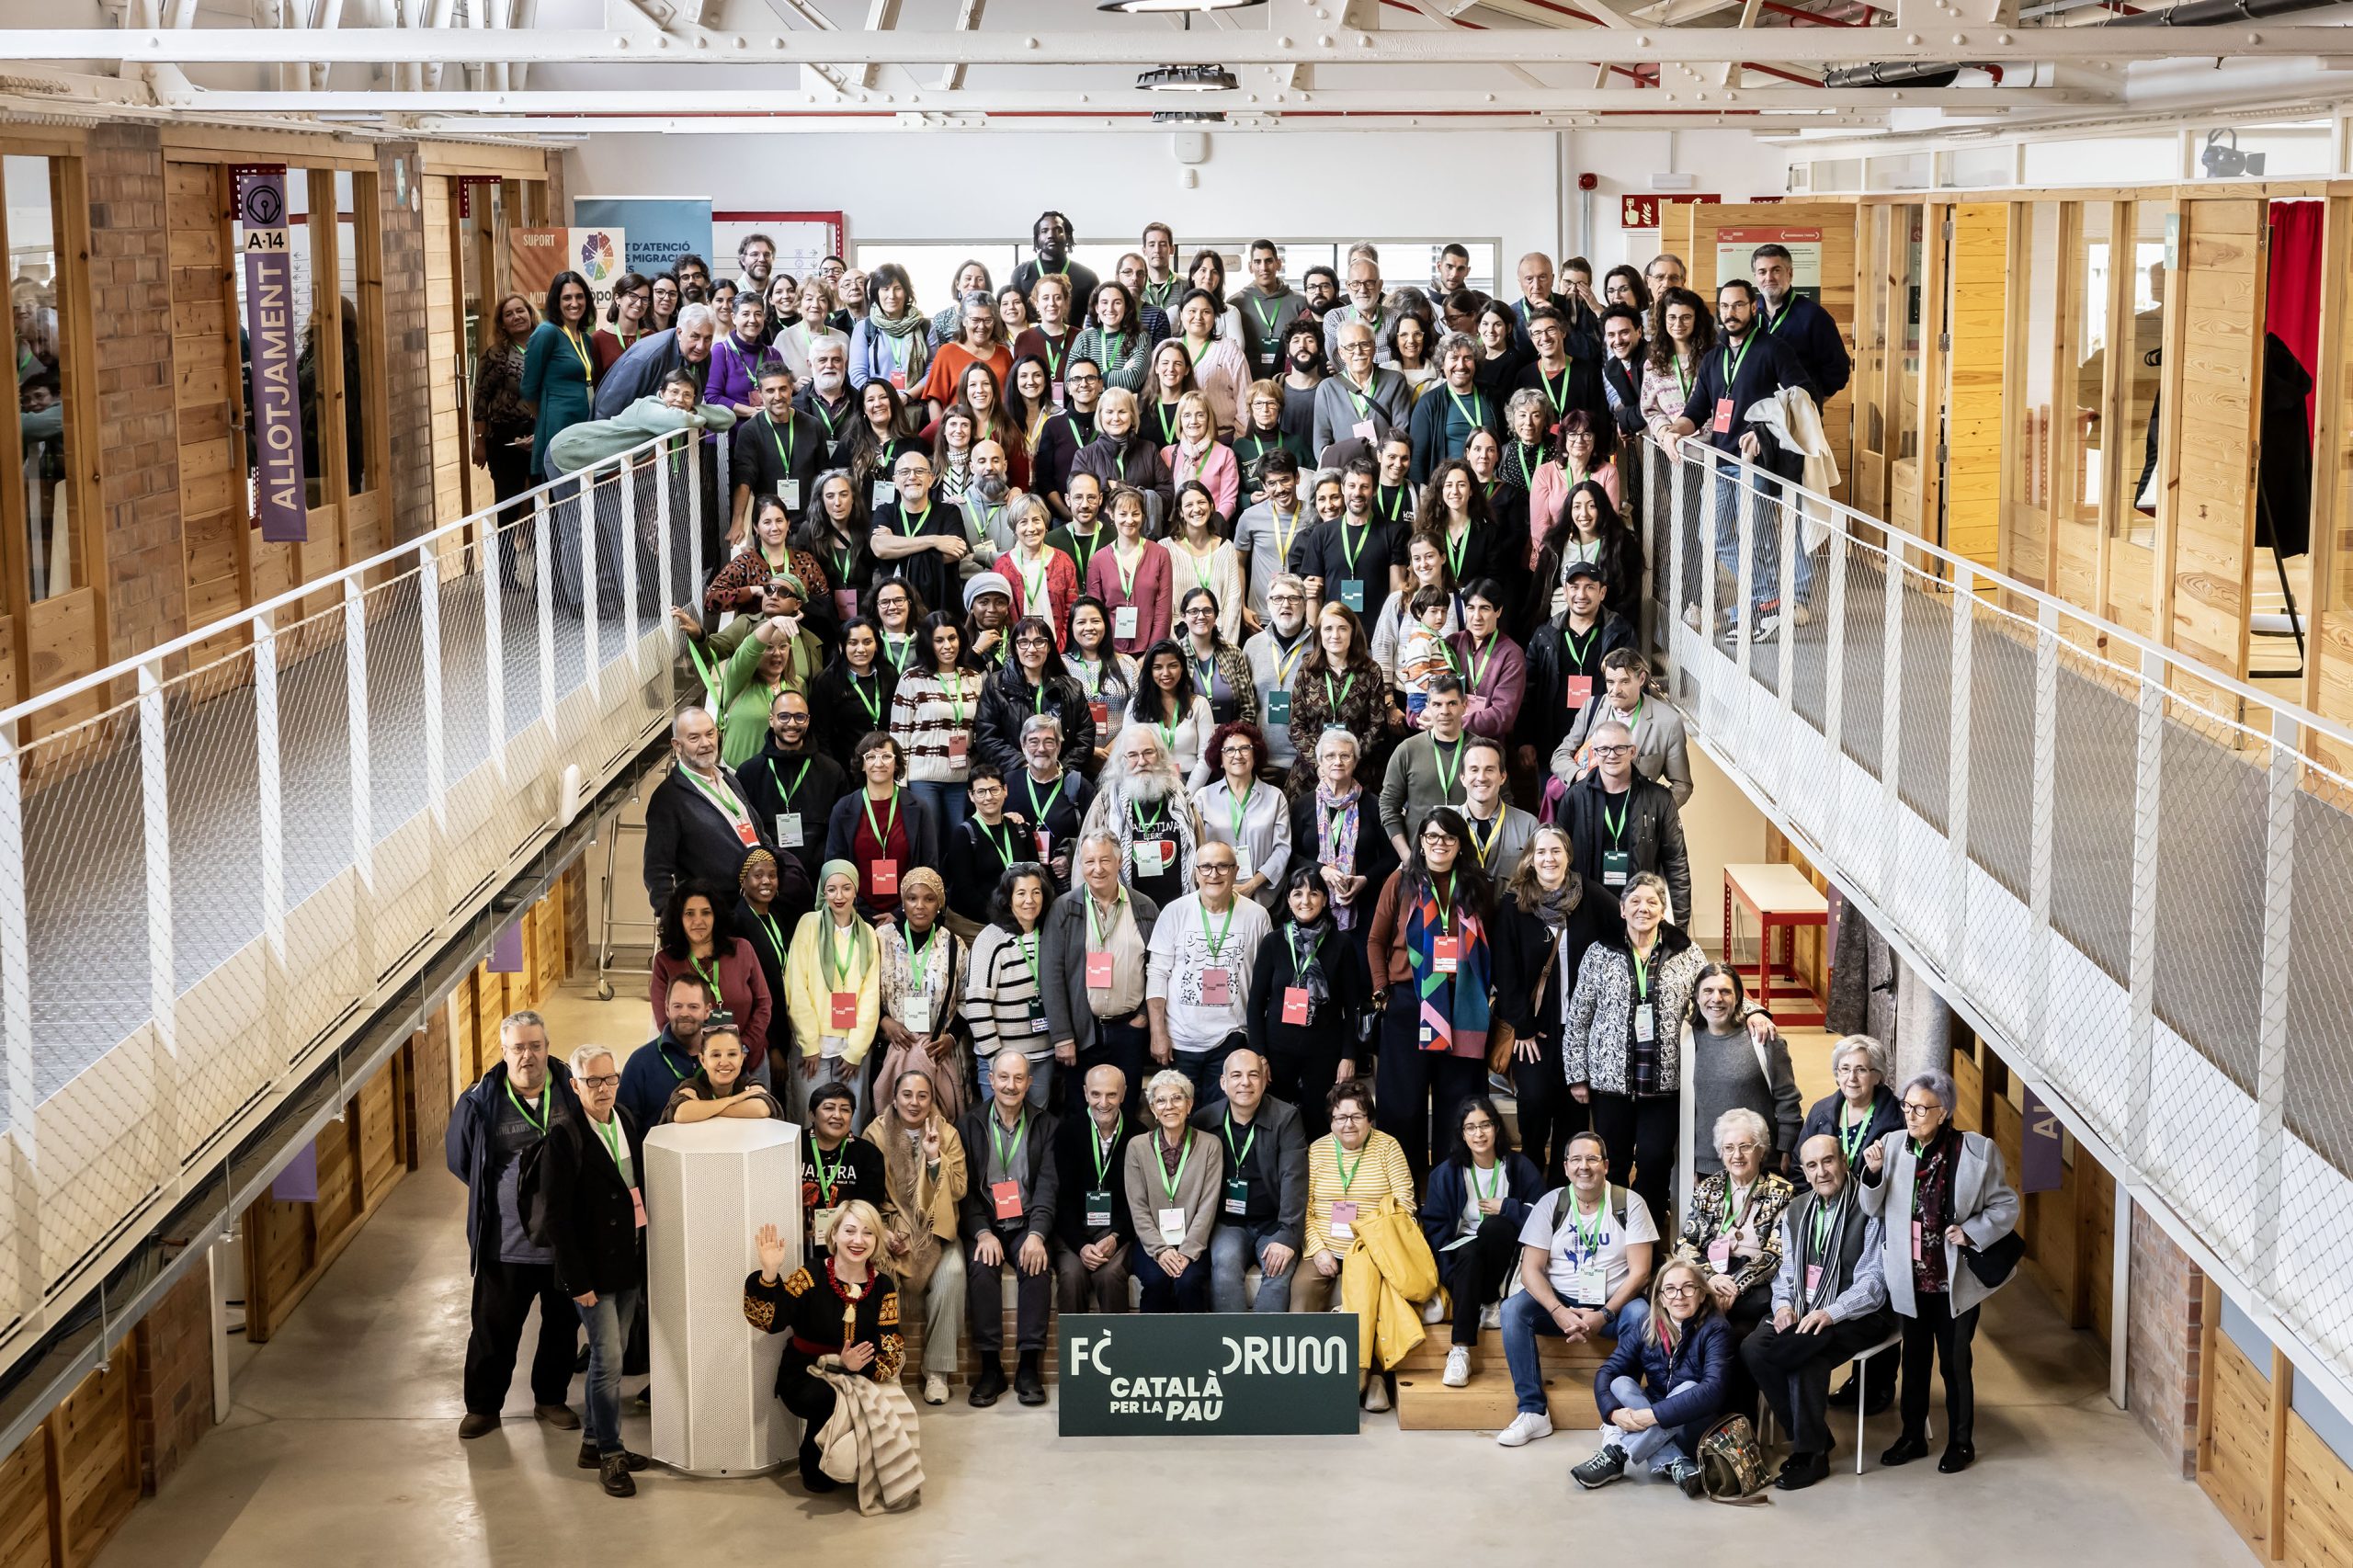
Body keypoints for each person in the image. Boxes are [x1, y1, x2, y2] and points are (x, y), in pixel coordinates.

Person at [1856, 1068, 2020, 1474]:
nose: (1910, 1116)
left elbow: (2006, 1206)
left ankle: (1961, 1443)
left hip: (1952, 1280)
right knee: (1912, 1362)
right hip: (1909, 1279)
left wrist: (1971, 1231)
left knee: (1953, 1363)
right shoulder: (1892, 1145)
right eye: (1906, 1106)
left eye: (1921, 1109)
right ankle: (1912, 1436)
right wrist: (1872, 1174)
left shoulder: (1977, 1152)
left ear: (1943, 1112)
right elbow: (1871, 1207)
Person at [448, 1012, 579, 1440]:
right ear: (503, 1052)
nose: (528, 1055)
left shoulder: (570, 1089)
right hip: (505, 1246)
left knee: (561, 1327)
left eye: (535, 1046)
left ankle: (550, 1399)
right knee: (494, 1329)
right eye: (518, 1048)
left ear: (547, 1046)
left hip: (562, 1244)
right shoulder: (479, 1101)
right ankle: (483, 1407)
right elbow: (461, 1160)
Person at [1741, 1132, 1898, 1488]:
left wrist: (1832, 1313)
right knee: (1753, 1348)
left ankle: (1811, 1455)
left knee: (1807, 1352)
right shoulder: (1797, 1210)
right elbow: (1787, 1273)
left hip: (1859, 1314)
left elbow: (1874, 1282)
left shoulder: (1868, 1205)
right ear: (1804, 1172)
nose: (1822, 1171)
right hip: (1804, 1306)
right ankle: (1813, 1434)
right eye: (1812, 1165)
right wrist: (1782, 1307)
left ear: (1844, 1161)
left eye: (1828, 1161)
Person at [1664, 278, 1815, 641]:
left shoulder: (1773, 350)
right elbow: (1697, 408)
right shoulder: (1714, 358)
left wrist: (1764, 428)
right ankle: (1770, 600)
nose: (1731, 313)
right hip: (1720, 458)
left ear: (1754, 308)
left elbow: (1803, 394)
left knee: (1760, 539)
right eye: (1725, 306)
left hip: (1754, 462)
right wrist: (1672, 431)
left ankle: (1764, 606)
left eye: (1738, 305)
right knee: (1712, 536)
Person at [742, 1202, 915, 1503]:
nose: (858, 1240)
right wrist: (769, 1275)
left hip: (860, 1371)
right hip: (804, 1373)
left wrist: (854, 1367)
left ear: (876, 1241)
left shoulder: (883, 1286)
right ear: (833, 1235)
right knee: (828, 1397)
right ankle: (816, 1460)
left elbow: (890, 1343)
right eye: (849, 1231)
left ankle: (873, 1464)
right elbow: (770, 1320)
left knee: (896, 1407)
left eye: (867, 1233)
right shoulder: (810, 1275)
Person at [1495, 1130, 1657, 1449]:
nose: (1585, 1166)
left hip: (1615, 1303)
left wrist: (1606, 1314)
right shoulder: (1551, 1203)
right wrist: (1557, 1311)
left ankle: (1618, 1414)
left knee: (1641, 1315)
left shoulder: (1629, 1203)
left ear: (1606, 1165)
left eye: (1593, 1159)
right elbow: (1530, 1270)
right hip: (1559, 1302)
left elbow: (1641, 1273)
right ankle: (1533, 1411)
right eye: (1576, 1160)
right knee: (1513, 1309)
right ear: (1566, 1166)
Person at [1563, 871, 1706, 1222]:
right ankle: (1612, 1230)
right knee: (1614, 1162)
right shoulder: (1600, 952)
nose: (1644, 908)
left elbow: (1717, 993)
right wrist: (1576, 1075)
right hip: (1609, 1084)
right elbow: (1579, 1016)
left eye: (1652, 902)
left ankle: (1649, 1229)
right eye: (1635, 902)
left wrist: (1754, 1013)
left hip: (1664, 1083)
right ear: (1623, 909)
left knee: (1656, 1159)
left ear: (1663, 910)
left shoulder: (1686, 952)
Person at [1366, 805, 1495, 1179]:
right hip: (1408, 1004)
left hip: (1461, 1005)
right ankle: (1405, 1193)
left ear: (1460, 844)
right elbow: (1375, 940)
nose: (1440, 844)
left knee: (1457, 1107)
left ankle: (1447, 1193)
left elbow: (1492, 947)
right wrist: (1381, 992)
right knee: (1402, 1106)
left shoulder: (1477, 885)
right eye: (1432, 836)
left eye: (1449, 837)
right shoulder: (1400, 881)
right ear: (1420, 841)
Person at [543, 1044, 648, 1494]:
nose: (603, 1089)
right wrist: (576, 1282)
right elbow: (557, 1220)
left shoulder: (624, 1118)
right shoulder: (564, 1138)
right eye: (592, 1081)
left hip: (627, 1261)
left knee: (616, 1352)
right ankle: (610, 1453)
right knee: (607, 1362)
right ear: (575, 1085)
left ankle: (591, 1443)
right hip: (592, 1273)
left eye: (610, 1079)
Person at [1491, 825, 1622, 1180]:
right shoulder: (1514, 904)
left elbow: (1630, 924)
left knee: (1573, 1117)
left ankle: (1566, 1198)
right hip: (1533, 1034)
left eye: (1556, 851)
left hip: (1580, 1032)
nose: (1549, 858)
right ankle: (1533, 1195)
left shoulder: (1590, 897)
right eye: (1541, 852)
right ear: (1530, 859)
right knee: (1533, 1108)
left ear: (1568, 856)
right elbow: (1505, 971)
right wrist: (1523, 1026)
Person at [1301, 1077, 1427, 1411]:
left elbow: (1405, 1203)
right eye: (1341, 1117)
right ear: (1331, 1121)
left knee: (1366, 1285)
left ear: (1369, 1118)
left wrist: (1373, 1239)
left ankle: (1369, 1376)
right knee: (1301, 1290)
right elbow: (1306, 1209)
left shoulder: (1388, 1146)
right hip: (1326, 1245)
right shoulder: (1318, 1149)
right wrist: (1317, 1248)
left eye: (1356, 1116)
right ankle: (1306, 1375)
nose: (1348, 1124)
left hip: (1373, 1246)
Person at [1574, 1258, 1733, 1496]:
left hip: (1693, 1427)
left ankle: (1617, 1454)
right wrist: (1612, 1413)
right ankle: (1676, 1462)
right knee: (1620, 1383)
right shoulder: (1647, 1324)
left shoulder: (1716, 1328)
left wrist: (1653, 1415)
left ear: (1702, 1294)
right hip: (1654, 1417)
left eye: (1688, 1287)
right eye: (1670, 1289)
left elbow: (1713, 1390)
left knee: (1690, 1386)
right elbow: (1607, 1372)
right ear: (1660, 1297)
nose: (1679, 1296)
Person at [956, 1048, 1059, 1407]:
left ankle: (1028, 1367)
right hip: (987, 1224)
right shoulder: (968, 1125)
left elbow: (1048, 1186)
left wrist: (1038, 1235)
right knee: (982, 1269)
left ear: (1030, 1083)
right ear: (990, 1079)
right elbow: (964, 1191)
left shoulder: (1047, 1125)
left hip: (1027, 1223)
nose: (1010, 1085)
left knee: (1038, 1267)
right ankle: (990, 1368)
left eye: (1018, 1078)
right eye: (1003, 1077)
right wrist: (982, 1232)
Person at [1420, 1096, 1545, 1388]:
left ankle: (1486, 1304)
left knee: (1495, 1228)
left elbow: (1544, 1218)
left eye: (1485, 1125)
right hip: (1461, 1262)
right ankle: (1461, 1348)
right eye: (1471, 1127)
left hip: (1507, 1256)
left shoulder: (1519, 1167)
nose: (1479, 1134)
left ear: (1497, 1128)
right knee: (1470, 1249)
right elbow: (1435, 1226)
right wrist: (1445, 1263)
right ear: (1462, 1134)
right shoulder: (1446, 1173)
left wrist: (1508, 1208)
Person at [1145, 836, 1273, 1108]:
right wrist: (1158, 1033)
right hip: (1181, 1039)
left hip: (1233, 1037)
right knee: (1180, 1116)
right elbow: (1157, 975)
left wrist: (1259, 1045)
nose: (1213, 874)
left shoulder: (1257, 916)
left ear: (1236, 871)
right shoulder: (1174, 912)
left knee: (1223, 1116)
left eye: (1222, 867)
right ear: (1195, 873)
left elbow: (1265, 984)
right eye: (1205, 867)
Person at [1042, 830, 1160, 1119]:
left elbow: (1158, 967)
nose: (1098, 868)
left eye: (1105, 860)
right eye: (1090, 861)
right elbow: (1051, 974)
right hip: (1082, 1032)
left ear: (1119, 862)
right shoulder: (1064, 908)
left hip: (1129, 1029)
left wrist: (1143, 1014)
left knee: (1127, 1109)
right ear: (1080, 866)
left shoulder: (1144, 907)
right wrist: (1062, 1035)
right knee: (1080, 1114)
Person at [1673, 1107, 1795, 1382]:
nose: (1736, 1155)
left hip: (1753, 1286)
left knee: (1737, 1337)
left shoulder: (1782, 1192)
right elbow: (1685, 1243)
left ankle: (1737, 1420)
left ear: (1761, 1150)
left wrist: (1736, 1285)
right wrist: (1712, 1279)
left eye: (1745, 1147)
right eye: (1729, 1148)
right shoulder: (1707, 1189)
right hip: (1711, 1280)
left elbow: (1776, 1254)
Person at [1194, 1046, 1310, 1313]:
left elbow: (1295, 1179)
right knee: (1224, 1265)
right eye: (1236, 1075)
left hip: (1273, 1222)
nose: (1245, 1082)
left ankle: (1261, 1345)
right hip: (1227, 1222)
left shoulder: (1286, 1118)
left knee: (1278, 1270)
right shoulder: (1204, 1119)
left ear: (1265, 1079)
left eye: (1253, 1075)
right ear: (1223, 1083)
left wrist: (1288, 1235)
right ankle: (1231, 1345)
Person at [1556, 718, 1691, 922]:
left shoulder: (1659, 799)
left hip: (1639, 914)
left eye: (1620, 748)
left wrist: (1679, 929)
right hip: (1586, 912)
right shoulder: (1575, 797)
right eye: (1604, 749)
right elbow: (1561, 860)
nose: (1611, 755)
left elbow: (1676, 864)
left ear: (1632, 751)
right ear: (1595, 752)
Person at [782, 860, 883, 1123]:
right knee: (810, 1120)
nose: (839, 896)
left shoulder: (868, 933)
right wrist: (808, 1043)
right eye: (832, 889)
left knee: (849, 1122)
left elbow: (871, 995)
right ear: (823, 892)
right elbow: (796, 984)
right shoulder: (809, 924)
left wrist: (856, 1050)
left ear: (856, 891)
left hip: (851, 1048)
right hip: (812, 1048)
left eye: (846, 888)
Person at [642, 709, 772, 913]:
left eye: (710, 734)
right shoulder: (668, 798)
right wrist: (673, 921)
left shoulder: (729, 778)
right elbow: (656, 871)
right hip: (716, 915)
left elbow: (757, 833)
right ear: (677, 745)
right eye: (694, 737)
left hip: (756, 905)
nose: (706, 743)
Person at [1517, 560, 1634, 782]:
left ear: (1602, 592)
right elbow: (1527, 689)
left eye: (1590, 587)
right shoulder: (1545, 635)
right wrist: (1525, 739)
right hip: (1552, 743)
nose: (1581, 594)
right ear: (1565, 591)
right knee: (1553, 807)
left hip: (1601, 744)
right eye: (1574, 587)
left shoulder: (1619, 633)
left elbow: (1633, 687)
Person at [649, 881, 776, 1084]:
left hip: (750, 1061)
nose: (698, 921)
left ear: (716, 916)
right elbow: (665, 1019)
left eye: (706, 913)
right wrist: (707, 1056)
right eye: (689, 913)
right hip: (697, 1068)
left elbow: (764, 1004)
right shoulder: (665, 961)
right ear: (678, 918)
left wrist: (742, 1047)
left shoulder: (742, 949)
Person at [1685, 962, 1803, 1178]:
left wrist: (1787, 1147)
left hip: (1761, 1162)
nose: (1716, 999)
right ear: (1697, 997)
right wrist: (1688, 1164)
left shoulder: (1763, 1038)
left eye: (1725, 991)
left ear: (1738, 997)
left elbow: (1787, 1097)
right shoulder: (1686, 1041)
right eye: (1708, 991)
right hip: (1707, 1166)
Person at [872, 868, 969, 1125]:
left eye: (929, 899)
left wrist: (951, 1037)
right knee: (894, 1124)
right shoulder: (882, 939)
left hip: (937, 1051)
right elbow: (865, 990)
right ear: (902, 902)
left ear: (939, 904)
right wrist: (884, 1021)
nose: (920, 906)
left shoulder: (954, 945)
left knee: (939, 1124)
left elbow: (966, 999)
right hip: (894, 1047)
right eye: (912, 898)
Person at [1124, 1069, 1220, 1312]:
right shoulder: (1137, 1147)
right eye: (1161, 1100)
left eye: (1177, 1098)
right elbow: (1138, 1208)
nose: (1170, 1106)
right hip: (1152, 1242)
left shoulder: (1211, 1145)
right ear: (1154, 1110)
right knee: (1156, 1281)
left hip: (1194, 1243)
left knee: (1188, 1282)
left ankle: (1194, 1348)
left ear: (1189, 1105)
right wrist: (1161, 1250)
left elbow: (1207, 1207)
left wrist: (1187, 1252)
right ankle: (1152, 1348)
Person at [964, 864, 1060, 1108]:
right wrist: (997, 1058)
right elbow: (976, 1005)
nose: (1030, 900)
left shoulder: (1049, 933)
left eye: (1036, 892)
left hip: (1043, 1057)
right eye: (1021, 893)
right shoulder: (990, 939)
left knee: (1035, 1130)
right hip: (1002, 1060)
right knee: (1000, 1131)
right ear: (1007, 899)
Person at [824, 732, 942, 922]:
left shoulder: (919, 808)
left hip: (908, 915)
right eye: (871, 757)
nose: (879, 763)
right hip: (855, 914)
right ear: (862, 764)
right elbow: (835, 868)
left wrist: (899, 913)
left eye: (886, 756)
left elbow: (928, 867)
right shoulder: (843, 809)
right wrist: (860, 912)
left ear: (897, 764)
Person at [1081, 725, 1200, 912]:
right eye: (1133, 755)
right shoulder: (1106, 800)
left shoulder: (1180, 795)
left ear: (1159, 755)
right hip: (1125, 912)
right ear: (1122, 760)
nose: (1142, 761)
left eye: (1148, 753)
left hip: (1179, 908)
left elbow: (1199, 845)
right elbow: (1085, 853)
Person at [740, 689, 850, 886]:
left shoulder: (832, 772)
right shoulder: (749, 773)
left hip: (820, 879)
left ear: (808, 721)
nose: (792, 723)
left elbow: (842, 832)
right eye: (784, 716)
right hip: (767, 881)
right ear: (771, 720)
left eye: (799, 717)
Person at [1052, 1063, 1139, 1312]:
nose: (1104, 1102)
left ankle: (1119, 1349)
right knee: (1071, 1277)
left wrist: (1116, 1236)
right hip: (1074, 1232)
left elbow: (1138, 1199)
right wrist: (1080, 1245)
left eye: (1112, 1094)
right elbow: (1062, 1199)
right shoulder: (1066, 1133)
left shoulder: (1138, 1134)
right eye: (1096, 1094)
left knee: (1109, 1276)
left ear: (1123, 1094)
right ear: (1085, 1093)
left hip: (1116, 1232)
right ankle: (1074, 1350)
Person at [885, 615, 979, 842]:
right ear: (928, 643)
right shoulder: (912, 678)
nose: (947, 646)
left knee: (960, 842)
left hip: (961, 777)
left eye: (952, 638)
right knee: (929, 841)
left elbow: (978, 731)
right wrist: (900, 783)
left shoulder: (973, 678)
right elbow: (899, 735)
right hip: (922, 778)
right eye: (939, 640)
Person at [1560, 648, 1692, 807]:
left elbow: (1682, 785)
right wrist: (1583, 776)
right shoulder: (1591, 707)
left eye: (1624, 681)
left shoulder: (1669, 722)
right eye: (1610, 682)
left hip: (1635, 820)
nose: (1615, 690)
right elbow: (1560, 756)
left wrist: (1653, 813)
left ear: (1642, 679)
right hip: (1590, 810)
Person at [975, 618, 1094, 789]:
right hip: (1014, 778)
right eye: (1023, 642)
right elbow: (987, 737)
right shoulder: (996, 685)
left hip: (1063, 778)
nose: (1031, 649)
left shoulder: (1071, 687)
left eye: (1039, 642)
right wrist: (1025, 766)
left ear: (1049, 646)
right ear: (1015, 648)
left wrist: (1060, 769)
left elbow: (1085, 736)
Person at [1192, 721, 1290, 910]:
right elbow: (1196, 849)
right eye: (1229, 750)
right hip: (1214, 894)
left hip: (1263, 897)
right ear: (1220, 758)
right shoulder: (1203, 798)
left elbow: (1282, 850)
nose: (1237, 755)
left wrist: (1252, 884)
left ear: (1255, 754)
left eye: (1245, 748)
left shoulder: (1275, 797)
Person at [868, 449, 970, 628]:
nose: (912, 477)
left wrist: (897, 548)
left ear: (930, 479)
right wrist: (935, 541)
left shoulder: (949, 512)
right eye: (905, 472)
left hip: (942, 613)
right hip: (895, 613)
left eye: (920, 471)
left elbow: (955, 551)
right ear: (896, 482)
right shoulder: (885, 511)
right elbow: (879, 548)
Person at [471, 293, 540, 552]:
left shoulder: (545, 345)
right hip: (504, 439)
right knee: (508, 506)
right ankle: (505, 573)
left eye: (520, 311)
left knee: (541, 504)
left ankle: (544, 575)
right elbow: (480, 401)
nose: (516, 317)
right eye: (508, 314)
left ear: (530, 313)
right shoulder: (495, 355)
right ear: (502, 323)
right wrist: (479, 442)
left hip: (539, 435)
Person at [1377, 673, 1472, 858]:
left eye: (1452, 703)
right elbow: (1388, 805)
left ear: (1465, 705)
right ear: (1427, 707)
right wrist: (1406, 857)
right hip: (1419, 858)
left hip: (1470, 859)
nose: (1444, 711)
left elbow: (1502, 803)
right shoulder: (1407, 750)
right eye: (1437, 704)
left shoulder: (1481, 750)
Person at [728, 360, 826, 541]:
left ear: (791, 389)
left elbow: (823, 477)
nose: (778, 396)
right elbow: (744, 480)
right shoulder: (750, 431)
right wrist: (737, 520)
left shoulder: (814, 426)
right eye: (770, 391)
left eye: (783, 389)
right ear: (760, 394)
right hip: (769, 529)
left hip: (809, 527)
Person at [1801, 1034, 1906, 1194]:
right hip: (1825, 1210)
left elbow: (1904, 1179)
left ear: (1877, 1076)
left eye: (1861, 1070)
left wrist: (1876, 1173)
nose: (1852, 1078)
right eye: (1845, 1069)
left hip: (1872, 1212)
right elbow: (1798, 1167)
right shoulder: (1820, 1112)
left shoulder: (1900, 1118)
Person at [520, 270, 599, 483]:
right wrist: (545, 416)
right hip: (558, 427)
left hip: (583, 425)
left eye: (579, 296)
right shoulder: (546, 333)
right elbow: (528, 388)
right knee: (558, 500)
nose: (574, 303)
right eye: (567, 297)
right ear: (556, 301)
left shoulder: (586, 339)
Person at [943, 765, 1041, 934]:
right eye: (980, 792)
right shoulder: (964, 834)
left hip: (1019, 920)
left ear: (1005, 790)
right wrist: (1003, 917)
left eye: (994, 790)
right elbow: (964, 890)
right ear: (971, 796)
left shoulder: (1020, 829)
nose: (988, 797)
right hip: (974, 925)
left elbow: (1037, 874)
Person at [1753, 242, 1851, 403]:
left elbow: (1838, 371)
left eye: (1776, 270)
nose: (1768, 278)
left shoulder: (1814, 316)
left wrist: (1813, 401)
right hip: (1754, 415)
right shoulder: (1749, 316)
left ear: (1790, 274)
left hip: (1798, 420)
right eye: (1762, 272)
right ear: (1756, 277)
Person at [1086, 482, 1174, 661]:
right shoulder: (1098, 560)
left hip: (1150, 652)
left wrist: (1151, 655)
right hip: (1110, 653)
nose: (1129, 520)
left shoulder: (1160, 554)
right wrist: (1109, 654)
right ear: (1111, 514)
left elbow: (1163, 612)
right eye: (1123, 514)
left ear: (1143, 515)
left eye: (1135, 514)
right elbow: (1095, 613)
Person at [621, 973, 713, 1134]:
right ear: (667, 1009)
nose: (684, 1013)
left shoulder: (725, 1060)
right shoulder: (640, 1062)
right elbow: (626, 1125)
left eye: (693, 1007)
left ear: (707, 1011)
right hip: (659, 1157)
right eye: (677, 1006)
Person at [1008, 713, 1097, 882]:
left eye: (1049, 741)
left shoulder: (1079, 787)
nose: (1041, 749)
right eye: (1034, 741)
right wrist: (1002, 819)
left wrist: (1073, 857)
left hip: (1066, 884)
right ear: (1023, 745)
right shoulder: (1007, 785)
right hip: (1020, 886)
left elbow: (1097, 834)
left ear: (1058, 746)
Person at [1242, 573, 1314, 777]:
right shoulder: (1252, 645)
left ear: (1304, 602)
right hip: (1261, 761)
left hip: (1306, 762)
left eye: (1293, 598)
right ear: (1268, 603)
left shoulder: (1320, 644)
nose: (1286, 605)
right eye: (1278, 598)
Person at [593, 303, 718, 419]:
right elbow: (608, 409)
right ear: (679, 332)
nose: (701, 346)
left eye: (707, 339)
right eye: (695, 336)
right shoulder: (649, 356)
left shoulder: (703, 356)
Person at [808, 619, 899, 776]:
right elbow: (821, 735)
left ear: (877, 645)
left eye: (867, 642)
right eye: (853, 643)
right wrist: (834, 772)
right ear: (841, 646)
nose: (861, 649)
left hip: (885, 765)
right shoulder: (827, 681)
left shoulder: (889, 675)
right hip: (846, 768)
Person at [1408, 332, 1503, 483]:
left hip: (1489, 487)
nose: (1461, 365)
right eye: (1454, 358)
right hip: (1450, 490)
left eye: (1468, 358)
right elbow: (1417, 461)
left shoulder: (1493, 396)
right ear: (1442, 364)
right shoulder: (1428, 404)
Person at [802, 1080, 888, 1248]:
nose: (837, 1115)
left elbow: (868, 1209)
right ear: (812, 1114)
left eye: (845, 1109)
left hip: (849, 1242)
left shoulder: (868, 1154)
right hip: (795, 1237)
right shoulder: (794, 1146)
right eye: (828, 1108)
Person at [1313, 320, 1412, 460]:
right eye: (1350, 346)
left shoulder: (1395, 381)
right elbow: (1321, 443)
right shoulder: (1327, 388)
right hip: (1345, 474)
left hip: (1384, 469)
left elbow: (1401, 433)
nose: (1358, 352)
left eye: (1364, 344)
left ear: (1374, 347)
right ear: (1341, 352)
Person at [1126, 639, 1218, 789]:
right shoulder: (1135, 707)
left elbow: (1206, 757)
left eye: (1173, 666)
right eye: (1157, 667)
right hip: (1148, 783)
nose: (1166, 673)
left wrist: (1188, 794)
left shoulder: (1199, 704)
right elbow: (1129, 754)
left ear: (1182, 668)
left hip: (1192, 782)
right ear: (1149, 671)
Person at [1445, 577, 1526, 742]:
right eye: (1471, 608)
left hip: (1486, 747)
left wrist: (1453, 723)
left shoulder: (1511, 653)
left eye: (1485, 608)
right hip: (1446, 742)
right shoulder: (1451, 643)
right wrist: (1420, 714)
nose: (1477, 617)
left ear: (1498, 611)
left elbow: (1503, 715)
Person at [661, 1018, 787, 1124]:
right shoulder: (692, 1086)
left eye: (732, 1054)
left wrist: (703, 1109)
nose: (724, 1062)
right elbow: (682, 1113)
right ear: (703, 1060)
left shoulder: (748, 1084)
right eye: (716, 1055)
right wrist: (736, 1099)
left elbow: (761, 1108)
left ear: (742, 1058)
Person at [919, 290, 1013, 420]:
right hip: (959, 435)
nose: (982, 326)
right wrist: (942, 436)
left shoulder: (1004, 353)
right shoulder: (947, 353)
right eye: (975, 320)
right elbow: (934, 401)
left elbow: (1012, 399)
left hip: (997, 433)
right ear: (963, 321)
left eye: (988, 320)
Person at [1640, 285, 1714, 440]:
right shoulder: (1654, 364)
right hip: (1673, 449)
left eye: (1686, 317)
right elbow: (1650, 410)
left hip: (1711, 449)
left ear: (1697, 319)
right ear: (1663, 319)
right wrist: (1664, 432)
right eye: (1672, 317)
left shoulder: (1713, 359)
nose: (1678, 324)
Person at [1456, 735, 1536, 879]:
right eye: (1474, 770)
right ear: (1462, 777)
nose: (1481, 777)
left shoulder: (1529, 825)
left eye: (1490, 770)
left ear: (1503, 777)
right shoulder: (1444, 824)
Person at [1233, 239, 1311, 381]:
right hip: (1248, 384)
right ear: (1250, 267)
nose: (1263, 267)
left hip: (1289, 382)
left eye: (1268, 261)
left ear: (1278, 264)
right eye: (1257, 262)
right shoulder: (1235, 304)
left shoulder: (1300, 303)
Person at [849, 262, 931, 392]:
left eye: (897, 288)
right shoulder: (864, 328)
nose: (891, 295)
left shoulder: (924, 326)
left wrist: (908, 396)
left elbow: (932, 371)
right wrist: (884, 400)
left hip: (915, 405)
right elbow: (857, 375)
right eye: (885, 289)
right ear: (877, 293)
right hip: (877, 407)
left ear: (906, 292)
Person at [1035, 366, 1103, 520]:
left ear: (1100, 384)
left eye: (1090, 378)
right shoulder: (1053, 426)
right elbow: (1044, 479)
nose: (1083, 384)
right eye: (1076, 379)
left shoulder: (1110, 425)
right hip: (1062, 519)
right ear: (1068, 387)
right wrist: (1067, 512)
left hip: (1106, 518)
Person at [1073, 283, 1154, 396]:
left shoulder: (1140, 336)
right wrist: (1122, 374)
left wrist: (1089, 378)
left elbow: (1134, 378)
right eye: (1104, 302)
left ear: (1126, 307)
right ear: (1097, 308)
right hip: (1090, 410)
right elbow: (1070, 380)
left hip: (1123, 409)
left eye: (1117, 303)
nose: (1110, 309)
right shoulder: (1083, 338)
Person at [1014, 210, 1100, 313]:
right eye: (1044, 231)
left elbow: (1096, 319)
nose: (1051, 235)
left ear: (1068, 236)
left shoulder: (1088, 277)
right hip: (1032, 330)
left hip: (1075, 330)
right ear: (1037, 238)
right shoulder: (1021, 274)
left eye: (1058, 230)